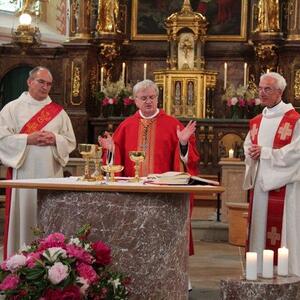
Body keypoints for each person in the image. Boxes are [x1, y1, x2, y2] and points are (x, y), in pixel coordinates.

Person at [98, 79, 200, 255]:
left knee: (164, 240)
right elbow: (115, 163)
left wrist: (183, 142)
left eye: (152, 97)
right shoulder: (126, 125)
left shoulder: (172, 124)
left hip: (164, 195)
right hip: (133, 195)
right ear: (135, 100)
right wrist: (112, 150)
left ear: (158, 98)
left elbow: (189, 161)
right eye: (143, 98)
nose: (148, 101)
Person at [0, 66, 76, 259]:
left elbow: (70, 142)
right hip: (24, 175)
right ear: (29, 81)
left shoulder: (58, 112)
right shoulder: (12, 108)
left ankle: (52, 261)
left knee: (48, 216)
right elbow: (2, 139)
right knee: (25, 217)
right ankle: (20, 260)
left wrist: (55, 139)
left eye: (49, 84)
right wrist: (27, 139)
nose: (45, 87)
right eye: (41, 82)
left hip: (51, 175)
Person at [243, 72, 300, 276]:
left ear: (280, 92)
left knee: (281, 231)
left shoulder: (294, 120)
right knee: (260, 228)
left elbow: (296, 153)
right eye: (260, 88)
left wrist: (266, 153)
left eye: (267, 89)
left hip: (284, 188)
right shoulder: (257, 121)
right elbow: (249, 144)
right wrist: (250, 152)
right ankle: (258, 270)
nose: (262, 93)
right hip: (261, 185)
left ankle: (285, 272)